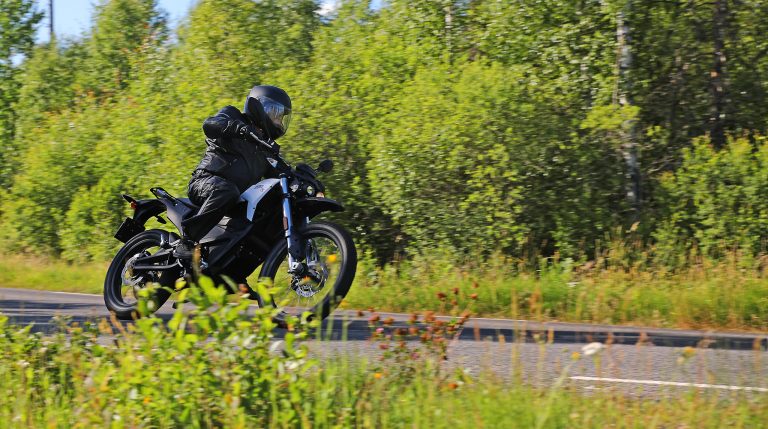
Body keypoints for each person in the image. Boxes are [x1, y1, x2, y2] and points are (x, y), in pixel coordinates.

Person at [173, 85, 292, 260]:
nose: (278, 121)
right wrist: (240, 129)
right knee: (226, 190)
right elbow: (210, 125)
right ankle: (188, 241)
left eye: (282, 117)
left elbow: (281, 176)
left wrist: (301, 177)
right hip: (205, 181)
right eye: (275, 114)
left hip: (234, 202)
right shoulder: (234, 115)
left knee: (257, 224)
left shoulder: (266, 149)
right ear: (260, 107)